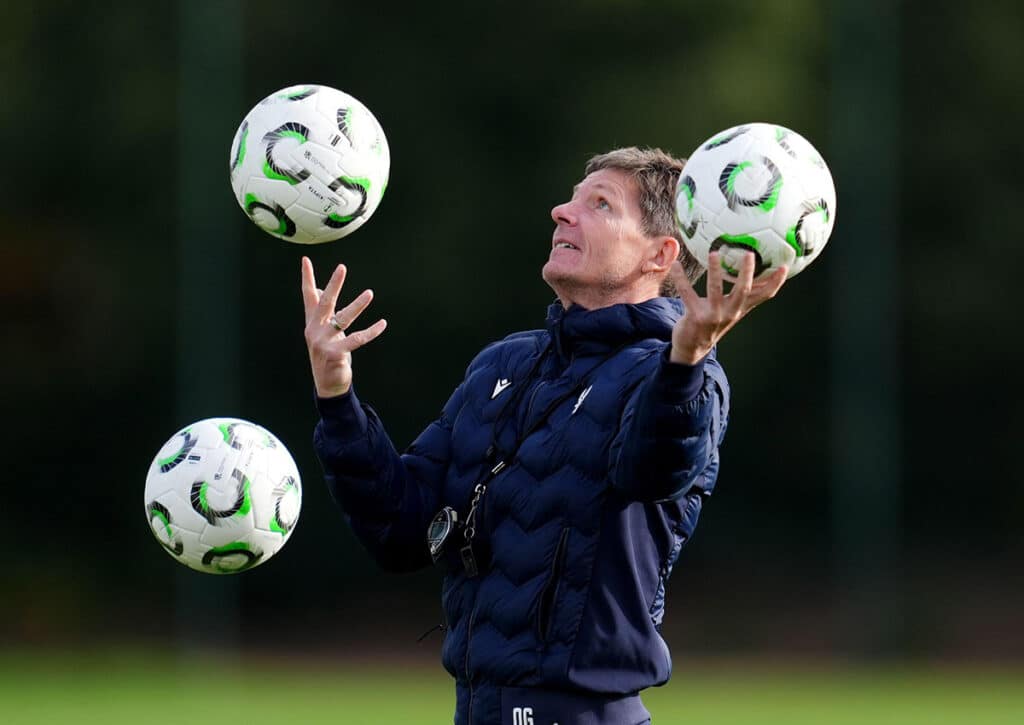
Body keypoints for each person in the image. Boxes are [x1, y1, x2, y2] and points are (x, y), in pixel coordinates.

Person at [300, 147, 788, 725]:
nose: (562, 211)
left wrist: (685, 358)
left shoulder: (682, 376)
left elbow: (655, 467)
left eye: (599, 204)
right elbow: (401, 529)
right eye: (572, 199)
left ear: (661, 255)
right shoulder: (501, 364)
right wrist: (337, 398)